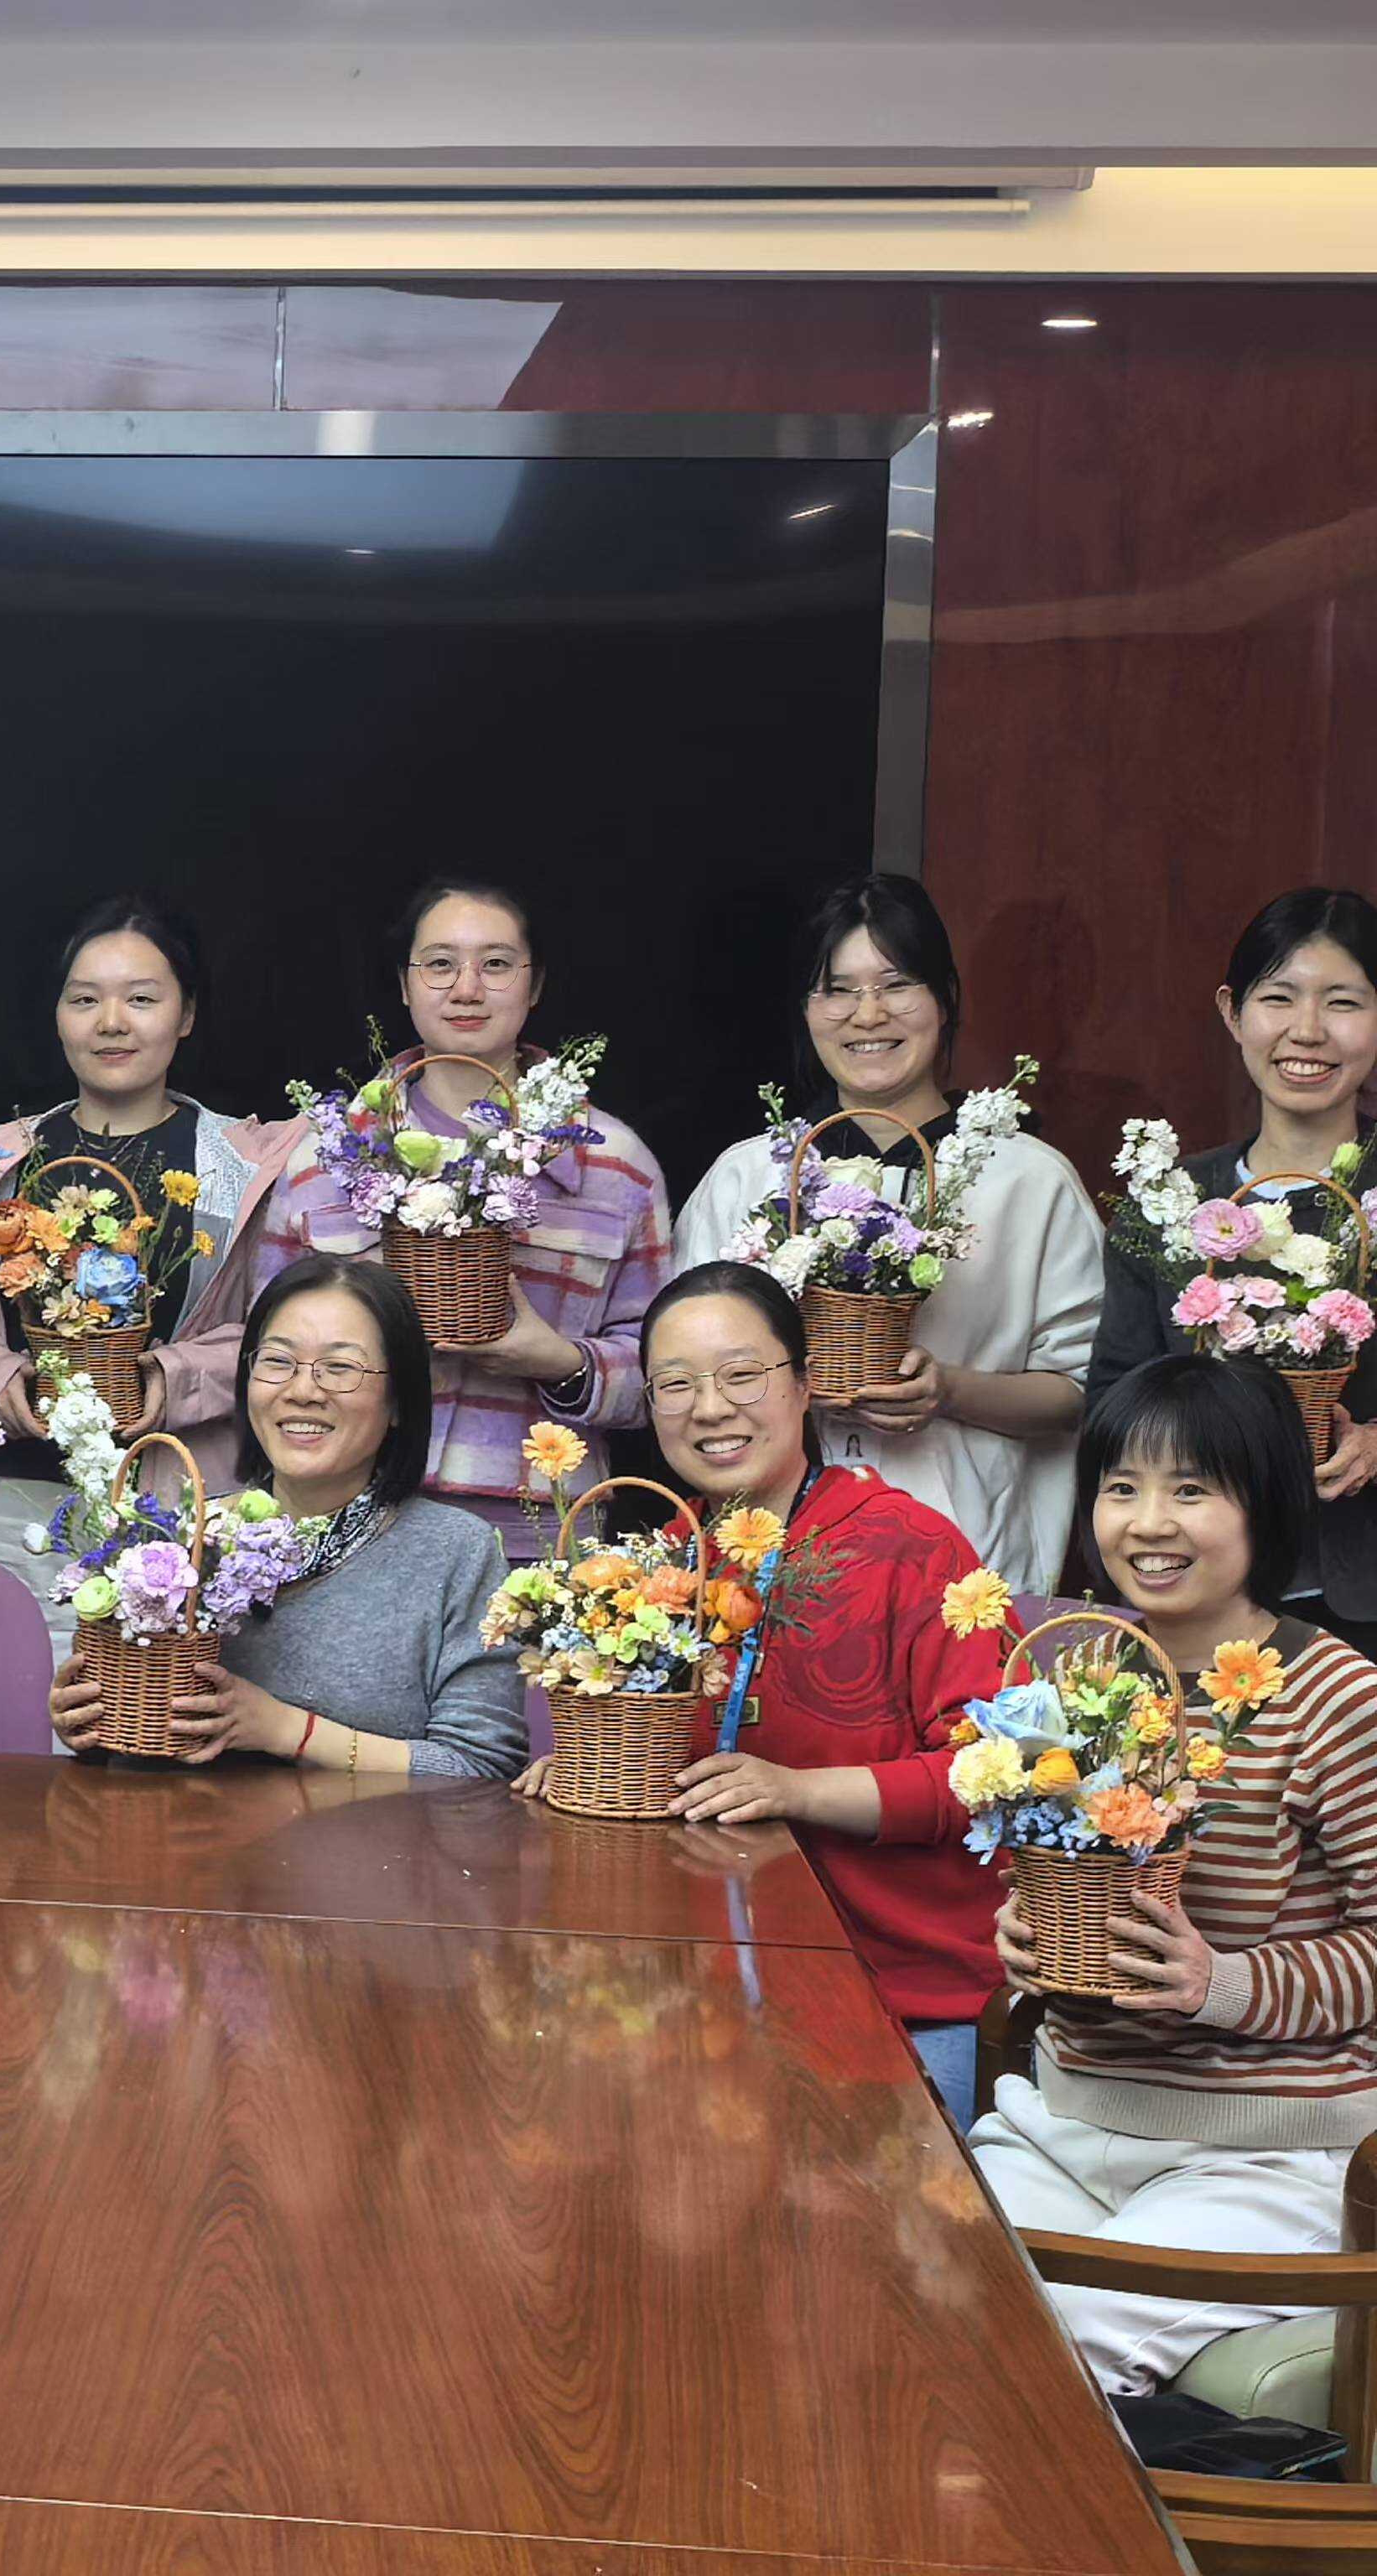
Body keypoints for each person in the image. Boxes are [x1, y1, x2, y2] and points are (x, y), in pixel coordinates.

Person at [971, 1356, 1377, 2395]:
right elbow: (1063, 1868)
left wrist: (1218, 1983)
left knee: (1047, 2356)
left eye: (1190, 1490)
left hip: (1264, 2157)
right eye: (1121, 1487)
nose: (1148, 1523)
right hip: (1067, 2123)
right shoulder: (1082, 1672)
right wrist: (1025, 1928)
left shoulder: (1336, 1695)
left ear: (1263, 1502)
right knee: (920, 2289)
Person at [517, 1262, 1008, 2119]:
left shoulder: (913, 1547)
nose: (709, 1407)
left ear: (806, 1384)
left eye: (741, 1374)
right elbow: (673, 1774)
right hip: (696, 2002)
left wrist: (796, 1791)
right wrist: (595, 1770)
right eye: (676, 1385)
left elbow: (992, 1778)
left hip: (898, 2003)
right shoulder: (664, 1564)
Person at [677, 878, 1098, 1600]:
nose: (867, 1014)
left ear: (946, 999)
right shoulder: (747, 1176)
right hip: (767, 1562)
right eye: (836, 990)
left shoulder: (1028, 1179)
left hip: (971, 1560)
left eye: (897, 985)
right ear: (806, 1010)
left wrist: (951, 1391)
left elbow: (1085, 1389)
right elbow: (681, 1370)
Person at [0, 896, 300, 1624]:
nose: (111, 1022)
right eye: (85, 999)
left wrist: (170, 1377)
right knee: (14, 1687)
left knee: (164, 1690)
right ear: (58, 1015)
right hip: (19, 1502)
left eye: (142, 999)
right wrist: (3, 1380)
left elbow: (280, 1340)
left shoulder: (247, 1169)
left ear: (186, 1014)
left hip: (188, 1499)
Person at [253, 877, 669, 1549]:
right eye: (440, 964)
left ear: (535, 984)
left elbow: (664, 1373)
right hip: (347, 1516)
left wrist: (560, 1362)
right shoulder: (323, 1158)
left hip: (536, 1529)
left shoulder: (617, 1165)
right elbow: (263, 1346)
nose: (467, 988)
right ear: (405, 984)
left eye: (496, 964)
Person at [51, 1252, 526, 1781]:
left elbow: (480, 1768)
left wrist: (286, 1730)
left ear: (399, 1402)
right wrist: (94, 1721)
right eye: (277, 1361)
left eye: (340, 1368)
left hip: (372, 1836)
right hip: (183, 1830)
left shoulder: (455, 1552)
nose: (302, 1391)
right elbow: (134, 1754)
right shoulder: (180, 1541)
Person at [1094, 886, 1377, 1656]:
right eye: (1278, 998)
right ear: (1233, 1012)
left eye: (1343, 1002)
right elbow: (1112, 1400)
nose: (1307, 1031)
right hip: (1201, 1600)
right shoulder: (1168, 1203)